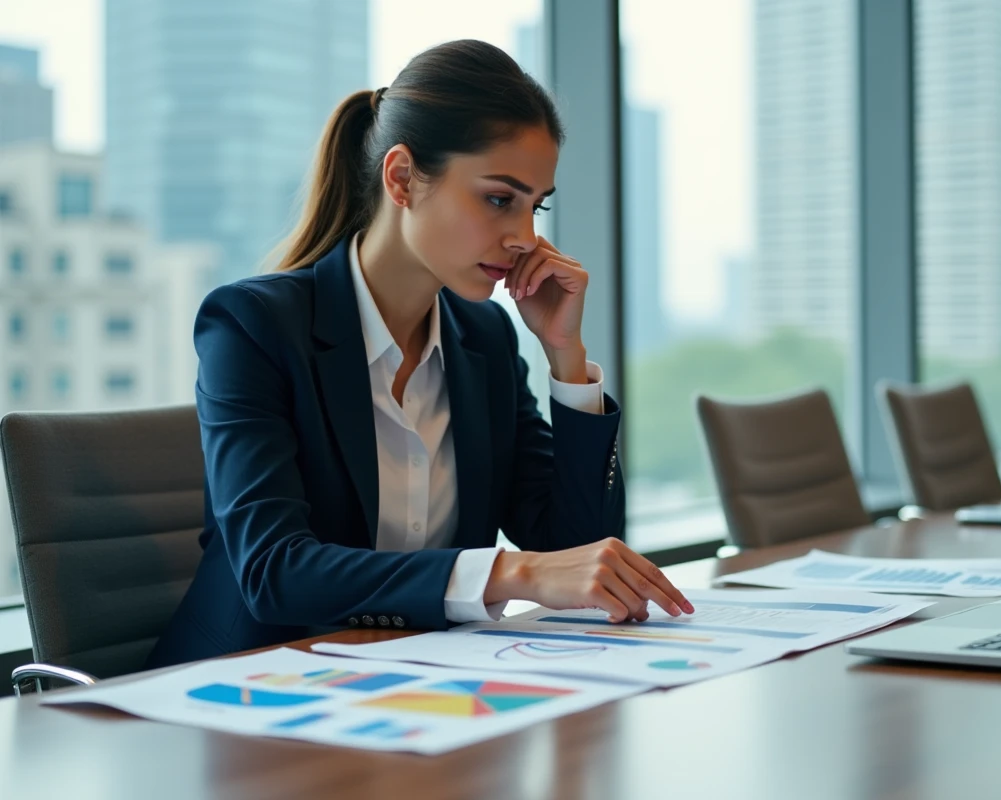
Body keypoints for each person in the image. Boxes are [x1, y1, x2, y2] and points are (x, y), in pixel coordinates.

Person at [145, 39, 693, 669]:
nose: (524, 238)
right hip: (249, 691)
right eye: (498, 198)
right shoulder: (254, 325)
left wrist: (565, 358)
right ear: (402, 178)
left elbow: (575, 549)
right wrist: (510, 574)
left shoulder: (482, 338)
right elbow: (274, 572)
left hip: (417, 686)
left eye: (534, 206)